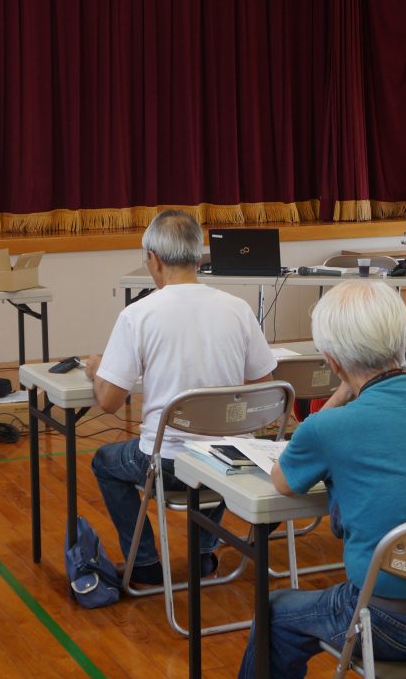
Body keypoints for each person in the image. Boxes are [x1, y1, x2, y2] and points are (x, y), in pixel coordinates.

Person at [238, 281, 406, 678]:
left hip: (393, 627)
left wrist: (341, 393)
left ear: (332, 362)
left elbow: (282, 480)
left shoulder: (328, 427)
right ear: (404, 341)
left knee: (275, 613)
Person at [85, 210, 276, 585]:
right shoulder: (238, 309)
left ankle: (143, 563)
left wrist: (97, 370)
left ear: (153, 260)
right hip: (230, 460)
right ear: (198, 255)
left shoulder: (138, 314)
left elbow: (108, 402)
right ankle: (203, 554)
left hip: (168, 463)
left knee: (105, 462)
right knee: (222, 440)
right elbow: (264, 389)